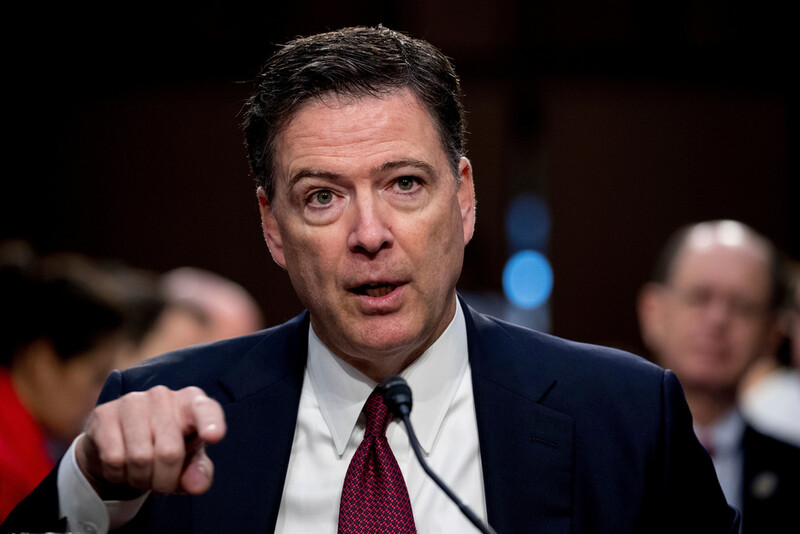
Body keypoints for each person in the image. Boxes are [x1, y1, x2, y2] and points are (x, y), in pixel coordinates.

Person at [3, 26, 739, 534]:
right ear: (272, 225)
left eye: (405, 184)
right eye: (322, 196)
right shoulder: (163, 418)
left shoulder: (626, 418)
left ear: (465, 198)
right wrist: (89, 485)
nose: (369, 233)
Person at [637, 220, 800, 533]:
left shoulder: (793, 473)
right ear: (653, 312)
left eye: (743, 307)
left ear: (772, 334)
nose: (718, 320)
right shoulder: (599, 455)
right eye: (699, 297)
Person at [0, 242, 127, 521]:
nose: (103, 396)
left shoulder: (33, 447)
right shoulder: (6, 468)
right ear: (41, 363)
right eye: (97, 376)